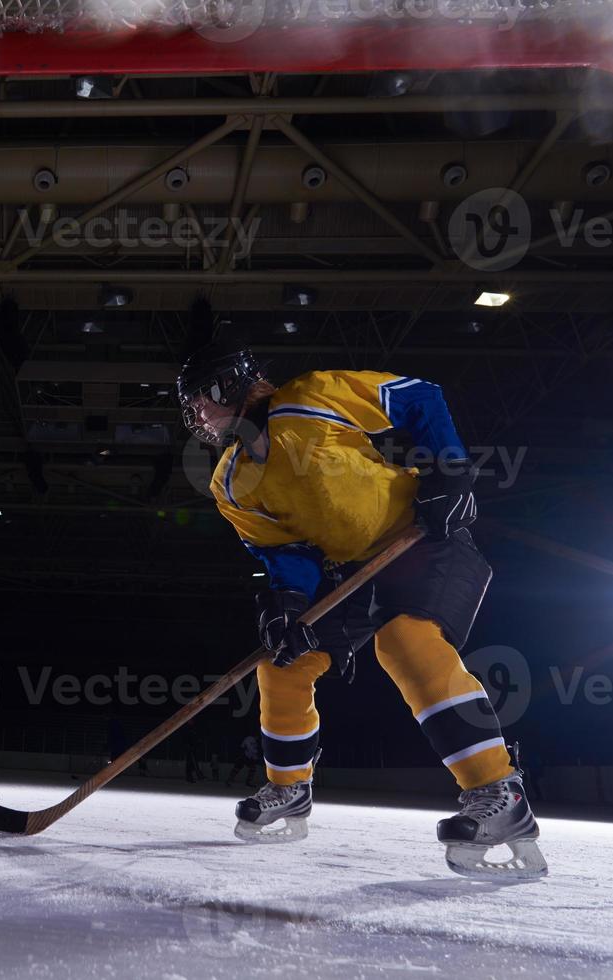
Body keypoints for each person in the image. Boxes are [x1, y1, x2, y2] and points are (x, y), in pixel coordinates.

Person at [176, 345, 545, 879]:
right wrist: (289, 604)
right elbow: (286, 552)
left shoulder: (312, 396)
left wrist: (448, 468)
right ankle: (288, 791)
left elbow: (419, 397)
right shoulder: (229, 483)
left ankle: (499, 793)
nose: (197, 419)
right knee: (280, 663)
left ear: (223, 387)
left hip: (420, 540)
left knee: (405, 641)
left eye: (197, 404)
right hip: (348, 570)